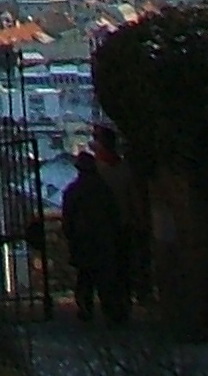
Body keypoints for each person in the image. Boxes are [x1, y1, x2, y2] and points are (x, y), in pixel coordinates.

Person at [60, 146, 131, 327]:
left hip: (84, 241)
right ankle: (110, 311)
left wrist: (71, 236)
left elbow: (67, 219)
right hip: (102, 239)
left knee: (86, 277)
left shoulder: (73, 191)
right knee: (105, 278)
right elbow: (113, 214)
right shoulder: (102, 189)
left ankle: (87, 309)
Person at [90, 123, 150, 302]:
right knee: (122, 266)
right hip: (122, 224)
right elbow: (134, 198)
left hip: (104, 226)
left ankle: (114, 301)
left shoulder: (97, 170)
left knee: (109, 267)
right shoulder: (123, 168)